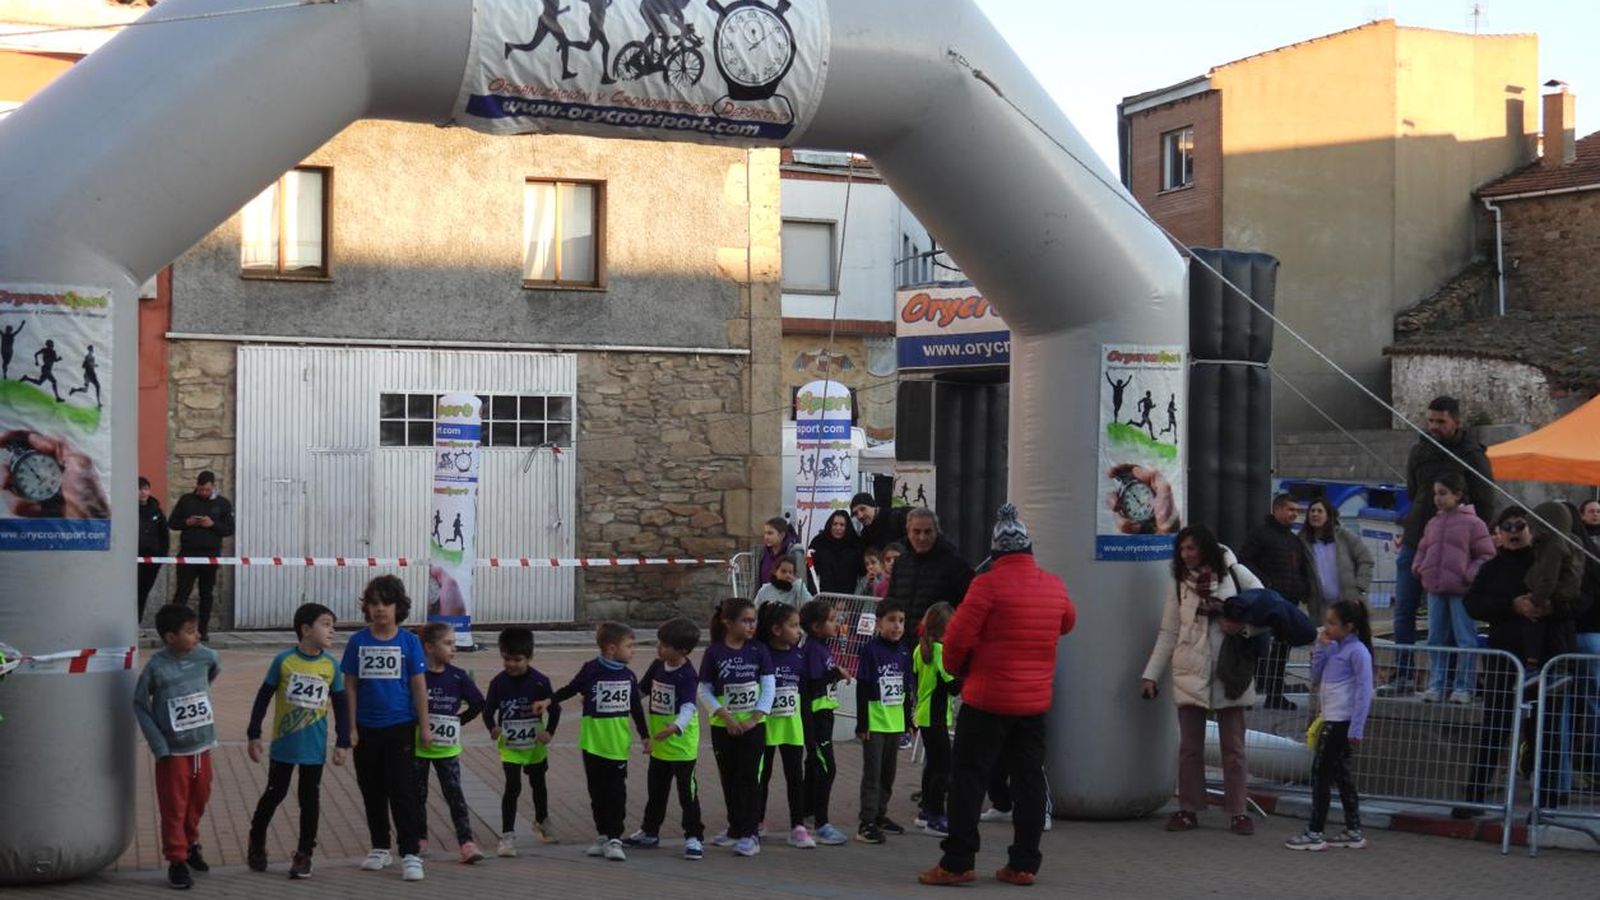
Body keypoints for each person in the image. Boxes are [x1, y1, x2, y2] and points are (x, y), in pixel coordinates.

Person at [920, 504, 1076, 887]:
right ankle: (1023, 864)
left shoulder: (986, 585)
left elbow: (956, 639)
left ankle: (958, 862)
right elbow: (1067, 622)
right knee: (1029, 780)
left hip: (987, 700)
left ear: (996, 552)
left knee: (968, 778)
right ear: (1029, 548)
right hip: (1033, 702)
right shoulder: (1053, 584)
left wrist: (958, 670)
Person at [1140, 525, 1264, 836]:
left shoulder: (1236, 574)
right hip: (1189, 670)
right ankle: (1188, 809)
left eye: (1191, 548)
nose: (1185, 555)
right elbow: (1169, 631)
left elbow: (1267, 610)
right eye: (1181, 549)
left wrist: (1242, 628)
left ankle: (1238, 811)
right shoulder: (1179, 582)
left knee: (1233, 748)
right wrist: (1151, 675)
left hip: (1229, 672)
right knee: (1189, 748)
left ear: (1205, 548)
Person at [1461, 506, 1575, 814]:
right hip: (1505, 658)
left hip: (1546, 657)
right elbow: (1473, 604)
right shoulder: (1492, 568)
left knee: (1545, 729)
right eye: (1506, 527)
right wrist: (1512, 606)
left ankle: (1546, 802)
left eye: (1519, 526)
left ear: (1532, 529)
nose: (1513, 532)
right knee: (1495, 726)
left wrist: (1548, 608)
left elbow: (1575, 601)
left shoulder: (1549, 560)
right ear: (1497, 533)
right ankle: (1473, 797)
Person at [1386, 396, 1497, 697]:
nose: (1434, 426)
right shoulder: (1420, 451)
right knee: (1405, 611)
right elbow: (1414, 492)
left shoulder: (1472, 454)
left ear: (1456, 422)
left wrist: (1472, 548)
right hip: (1419, 539)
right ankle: (1403, 674)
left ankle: (1452, 682)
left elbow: (1486, 500)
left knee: (1453, 622)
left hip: (1457, 547)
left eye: (1441, 421)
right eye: (1431, 420)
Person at [245, 602, 348, 878]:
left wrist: (343, 741)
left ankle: (304, 854)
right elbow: (263, 697)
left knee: (309, 799)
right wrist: (254, 733)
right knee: (274, 793)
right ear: (305, 629)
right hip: (284, 744)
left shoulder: (331, 665)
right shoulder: (284, 661)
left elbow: (340, 705)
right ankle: (256, 839)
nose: (332, 631)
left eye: (333, 626)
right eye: (326, 624)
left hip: (314, 747)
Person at [340, 576, 431, 882]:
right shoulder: (358, 642)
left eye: (386, 603)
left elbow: (418, 686)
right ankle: (380, 846)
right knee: (371, 789)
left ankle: (410, 853)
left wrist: (425, 726)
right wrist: (350, 727)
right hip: (366, 728)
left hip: (400, 727)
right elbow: (350, 686)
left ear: (398, 606)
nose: (380, 609)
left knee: (403, 791)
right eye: (374, 603)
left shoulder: (409, 642)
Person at [133, 603, 222, 890]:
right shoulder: (156, 667)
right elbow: (140, 703)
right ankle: (176, 860)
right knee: (174, 806)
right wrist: (158, 743)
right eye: (190, 631)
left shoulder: (206, 656)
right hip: (172, 753)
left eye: (197, 630)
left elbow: (213, 671)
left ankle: (191, 843)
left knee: (199, 798)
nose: (198, 636)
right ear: (170, 637)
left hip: (202, 746)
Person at [551, 622, 651, 862]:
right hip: (592, 743)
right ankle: (603, 835)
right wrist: (549, 700)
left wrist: (645, 735)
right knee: (596, 792)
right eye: (629, 646)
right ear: (611, 648)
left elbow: (636, 709)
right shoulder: (591, 669)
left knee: (616, 792)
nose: (633, 651)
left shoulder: (628, 676)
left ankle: (615, 837)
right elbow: (572, 688)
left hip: (616, 745)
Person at [1285, 600, 1374, 851]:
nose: (1327, 627)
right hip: (1331, 718)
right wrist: (1321, 649)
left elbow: (1364, 691)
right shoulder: (1334, 647)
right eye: (1326, 622)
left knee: (1321, 773)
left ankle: (1315, 831)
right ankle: (1353, 829)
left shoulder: (1358, 652)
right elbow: (1316, 676)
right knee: (1341, 774)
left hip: (1341, 721)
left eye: (1333, 623)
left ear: (1349, 626)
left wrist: (1357, 727)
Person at [698, 597, 774, 857]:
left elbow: (769, 688)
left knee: (749, 779)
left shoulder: (759, 650)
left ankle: (750, 833)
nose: (751, 626)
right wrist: (726, 718)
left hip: (753, 728)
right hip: (724, 727)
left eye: (754, 621)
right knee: (729, 777)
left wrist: (753, 718)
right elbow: (704, 690)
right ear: (728, 623)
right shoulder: (714, 652)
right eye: (745, 621)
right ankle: (735, 828)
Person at [1412, 471, 1495, 704]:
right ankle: (1436, 684)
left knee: (1465, 638)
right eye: (1436, 494)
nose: (1437, 498)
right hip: (1435, 588)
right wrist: (1419, 566)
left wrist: (1469, 574)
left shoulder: (1474, 524)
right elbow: (1423, 548)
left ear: (1457, 495)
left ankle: (1464, 685)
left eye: (1443, 493)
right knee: (1435, 637)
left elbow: (1486, 555)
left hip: (1461, 590)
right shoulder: (1433, 523)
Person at [626, 618, 706, 859]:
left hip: (681, 745)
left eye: (664, 645)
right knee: (656, 790)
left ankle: (694, 836)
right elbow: (641, 691)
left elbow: (689, 707)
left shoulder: (687, 675)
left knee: (687, 793)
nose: (658, 648)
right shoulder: (658, 666)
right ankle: (650, 831)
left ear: (682, 650)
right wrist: (622, 702)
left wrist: (675, 727)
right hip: (660, 743)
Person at [483, 627, 560, 855]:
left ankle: (542, 819)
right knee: (513, 786)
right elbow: (488, 711)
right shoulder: (498, 683)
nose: (511, 664)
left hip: (535, 742)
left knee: (538, 783)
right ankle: (507, 836)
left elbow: (555, 709)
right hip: (510, 744)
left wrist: (550, 732)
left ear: (529, 657)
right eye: (507, 659)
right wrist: (493, 727)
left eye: (517, 660)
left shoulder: (540, 682)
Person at [414, 622, 487, 863]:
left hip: (447, 749)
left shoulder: (458, 676)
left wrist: (459, 721)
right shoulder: (417, 675)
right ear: (429, 647)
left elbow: (478, 702)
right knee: (417, 795)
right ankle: (419, 839)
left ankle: (466, 843)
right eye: (447, 643)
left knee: (455, 795)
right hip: (418, 748)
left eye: (454, 643)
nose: (453, 648)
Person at [1240, 494, 1316, 710]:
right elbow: (1244, 560)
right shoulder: (1260, 535)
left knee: (1281, 652)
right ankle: (1246, 695)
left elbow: (1299, 569)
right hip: (1266, 602)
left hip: (1288, 603)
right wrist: (1264, 583)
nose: (1294, 514)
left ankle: (1275, 695)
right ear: (1277, 509)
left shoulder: (1294, 541)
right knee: (1256, 648)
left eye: (1296, 510)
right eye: (1290, 509)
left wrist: (1302, 589)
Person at [756, 601, 815, 848]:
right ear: (776, 629)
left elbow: (805, 692)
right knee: (762, 775)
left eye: (799, 625)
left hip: (792, 726)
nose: (799, 631)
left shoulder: (799, 655)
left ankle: (798, 826)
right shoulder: (761, 653)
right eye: (793, 626)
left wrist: (809, 727)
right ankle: (757, 821)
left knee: (795, 776)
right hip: (765, 725)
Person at [855, 600, 913, 845]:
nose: (897, 626)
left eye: (901, 621)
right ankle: (866, 822)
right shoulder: (871, 650)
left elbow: (906, 688)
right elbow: (863, 686)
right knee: (873, 773)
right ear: (879, 623)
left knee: (888, 773)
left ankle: (880, 814)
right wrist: (862, 723)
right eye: (891, 620)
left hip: (895, 722)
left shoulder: (904, 652)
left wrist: (908, 720)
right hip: (875, 722)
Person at [799, 599, 851, 846]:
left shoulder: (822, 647)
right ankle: (822, 823)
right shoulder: (812, 649)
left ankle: (806, 812)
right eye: (831, 620)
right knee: (826, 768)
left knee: (814, 766)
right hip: (815, 718)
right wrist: (835, 674)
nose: (836, 623)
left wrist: (835, 674)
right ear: (816, 627)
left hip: (825, 715)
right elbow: (812, 683)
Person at [886, 509, 975, 646]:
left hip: (937, 646)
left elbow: (968, 608)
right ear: (908, 532)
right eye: (916, 532)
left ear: (936, 532)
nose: (922, 537)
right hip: (901, 645)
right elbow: (891, 603)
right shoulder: (900, 564)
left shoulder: (955, 564)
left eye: (927, 532)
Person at [169, 471, 235, 641]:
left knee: (207, 593)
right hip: (188, 553)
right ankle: (174, 629)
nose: (204, 493)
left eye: (207, 490)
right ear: (196, 486)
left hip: (210, 555)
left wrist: (212, 524)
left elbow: (229, 529)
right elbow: (172, 523)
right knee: (182, 592)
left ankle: (203, 630)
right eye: (201, 490)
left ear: (213, 486)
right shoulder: (186, 500)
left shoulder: (223, 503)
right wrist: (187, 522)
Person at [912, 602, 958, 838]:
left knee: (932, 766)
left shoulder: (919, 650)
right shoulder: (940, 651)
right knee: (943, 767)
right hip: (936, 716)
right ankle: (936, 816)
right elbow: (953, 685)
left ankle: (925, 811)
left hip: (924, 714)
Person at [1300, 497, 1374, 613]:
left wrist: (1360, 588)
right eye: (1312, 511)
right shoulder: (1302, 541)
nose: (1315, 514)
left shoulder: (1344, 536)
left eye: (1319, 511)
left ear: (1328, 516)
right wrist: (1304, 595)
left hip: (1349, 602)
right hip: (1320, 607)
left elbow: (1366, 560)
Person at [809, 509, 865, 595]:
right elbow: (810, 570)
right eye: (835, 524)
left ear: (847, 527)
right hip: (822, 597)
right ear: (830, 525)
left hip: (850, 598)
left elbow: (863, 573)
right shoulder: (819, 542)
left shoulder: (855, 544)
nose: (838, 528)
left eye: (842, 525)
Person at [137, 476, 169, 623]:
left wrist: (161, 555)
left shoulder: (156, 510)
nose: (143, 492)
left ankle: (137, 623)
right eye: (139, 489)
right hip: (132, 559)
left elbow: (164, 534)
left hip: (152, 560)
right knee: (131, 593)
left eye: (145, 489)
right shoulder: (127, 509)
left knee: (143, 593)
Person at [756, 516, 806, 596]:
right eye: (765, 533)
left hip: (786, 599)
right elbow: (755, 581)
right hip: (764, 597)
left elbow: (801, 580)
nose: (766, 537)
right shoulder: (761, 553)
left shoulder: (795, 552)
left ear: (782, 535)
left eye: (770, 533)